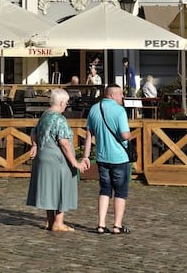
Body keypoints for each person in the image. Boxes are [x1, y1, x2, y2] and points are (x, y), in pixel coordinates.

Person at [26, 88, 87, 233]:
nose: (66, 105)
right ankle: (58, 223)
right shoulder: (60, 119)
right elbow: (64, 143)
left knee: (50, 189)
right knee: (61, 188)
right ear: (60, 102)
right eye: (66, 102)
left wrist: (34, 145)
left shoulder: (44, 115)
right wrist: (74, 162)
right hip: (57, 159)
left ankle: (50, 220)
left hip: (43, 157)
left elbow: (33, 132)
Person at [83, 85, 135, 235]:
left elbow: (88, 136)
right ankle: (117, 226)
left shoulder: (94, 109)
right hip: (119, 157)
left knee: (105, 190)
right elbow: (125, 135)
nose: (122, 98)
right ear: (112, 95)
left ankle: (101, 224)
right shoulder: (120, 111)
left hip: (102, 157)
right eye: (120, 94)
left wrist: (86, 156)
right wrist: (130, 136)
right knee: (120, 191)